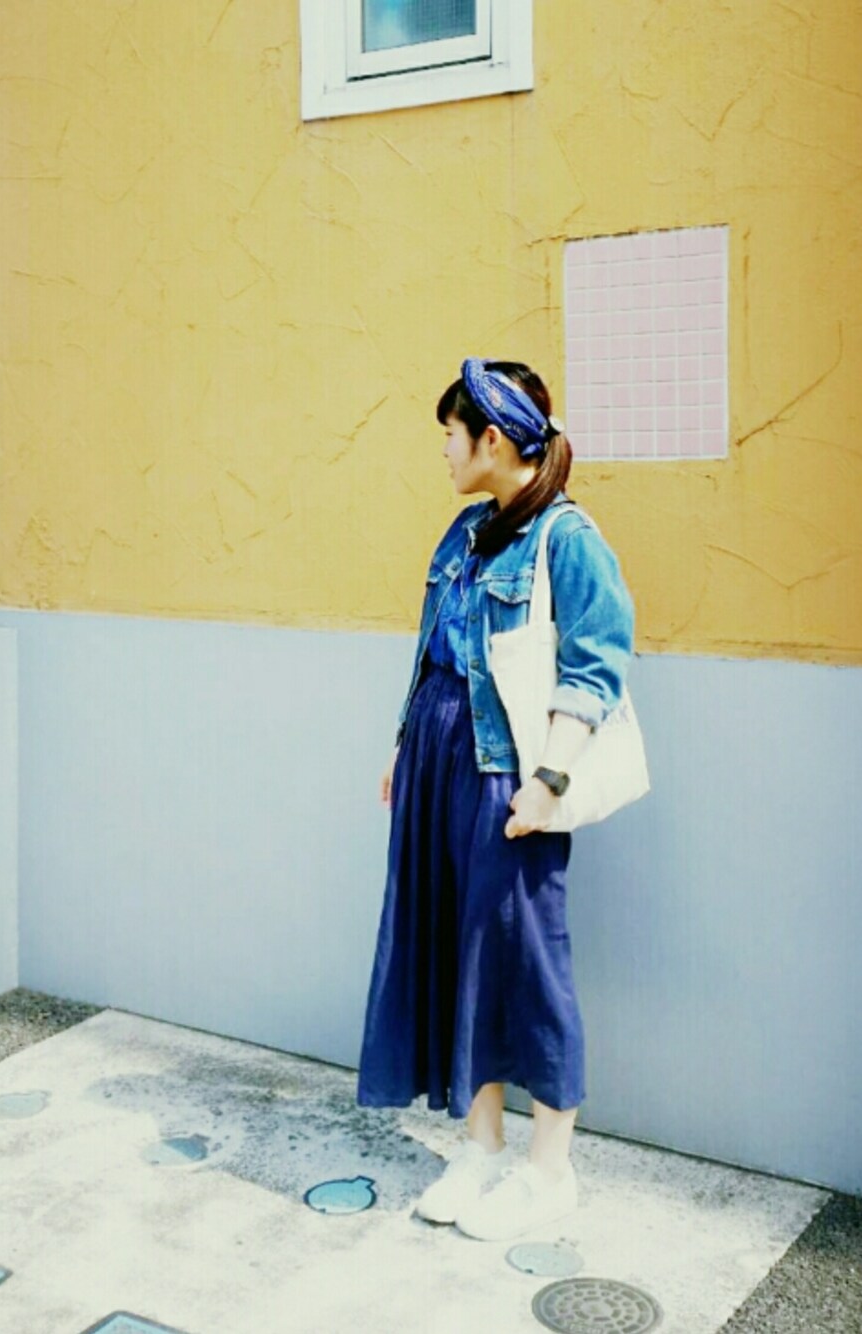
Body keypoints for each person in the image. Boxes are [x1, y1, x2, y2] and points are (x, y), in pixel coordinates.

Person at [356, 358, 635, 1242]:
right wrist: (404, 744)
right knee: (455, 949)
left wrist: (548, 781)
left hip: (509, 774)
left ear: (494, 439)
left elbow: (596, 666)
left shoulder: (568, 539)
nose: (444, 449)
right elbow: (435, 650)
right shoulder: (466, 532)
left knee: (528, 961)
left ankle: (550, 1170)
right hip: (439, 760)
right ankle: (481, 1148)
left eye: (452, 433)